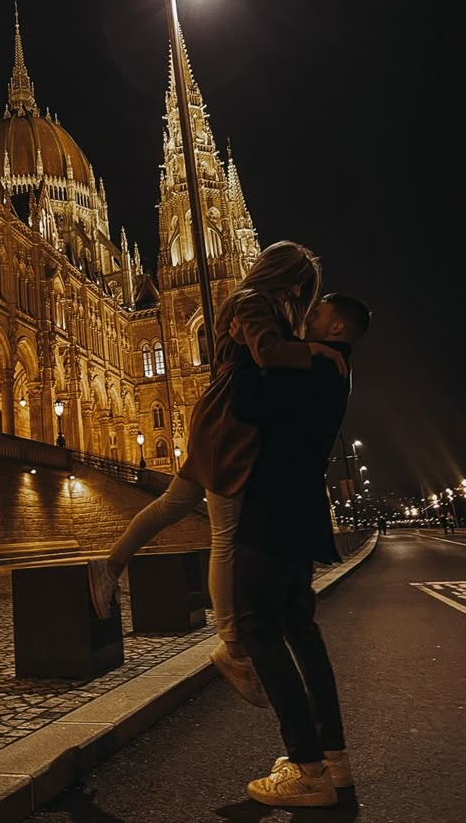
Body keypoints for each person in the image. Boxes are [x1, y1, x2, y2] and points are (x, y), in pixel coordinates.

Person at [88, 241, 347, 706]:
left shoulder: (253, 302)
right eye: (297, 283)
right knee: (223, 534)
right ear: (280, 275)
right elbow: (267, 353)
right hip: (230, 427)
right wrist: (315, 351)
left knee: (172, 505)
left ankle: (109, 566)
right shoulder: (251, 302)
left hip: (219, 420)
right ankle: (231, 645)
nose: (297, 292)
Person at [229, 292, 371, 808]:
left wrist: (247, 349)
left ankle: (308, 768)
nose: (307, 317)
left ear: (336, 327)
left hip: (273, 514)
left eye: (317, 314)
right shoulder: (333, 367)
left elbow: (249, 407)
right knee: (301, 635)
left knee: (258, 630)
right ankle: (334, 762)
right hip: (300, 516)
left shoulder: (314, 368)